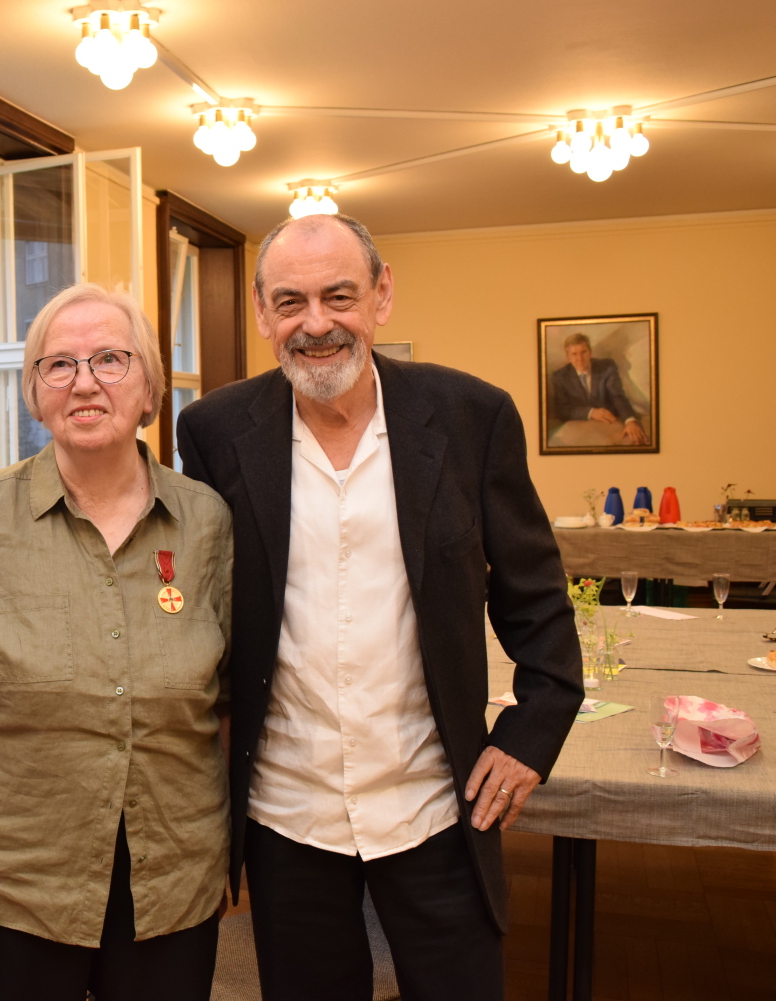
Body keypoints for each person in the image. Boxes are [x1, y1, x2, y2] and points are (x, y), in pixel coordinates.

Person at [176, 214, 583, 1001]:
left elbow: (538, 599)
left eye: (339, 295)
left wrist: (533, 733)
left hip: (434, 802)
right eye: (290, 302)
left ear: (382, 294)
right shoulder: (215, 431)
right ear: (262, 313)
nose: (316, 323)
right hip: (287, 811)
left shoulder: (472, 417)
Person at [0, 283, 233, 1001]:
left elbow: (230, 700)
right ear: (35, 394)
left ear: (150, 390)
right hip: (12, 887)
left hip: (171, 879)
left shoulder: (207, 522)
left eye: (112, 359)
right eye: (59, 364)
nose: (85, 382)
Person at [547, 331, 648, 445]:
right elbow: (562, 410)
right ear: (568, 357)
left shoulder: (607, 367)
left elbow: (618, 396)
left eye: (583, 352)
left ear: (590, 352)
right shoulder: (560, 376)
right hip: (578, 425)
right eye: (574, 354)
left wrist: (630, 421)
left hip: (610, 423)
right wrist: (591, 412)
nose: (580, 358)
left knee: (634, 440)